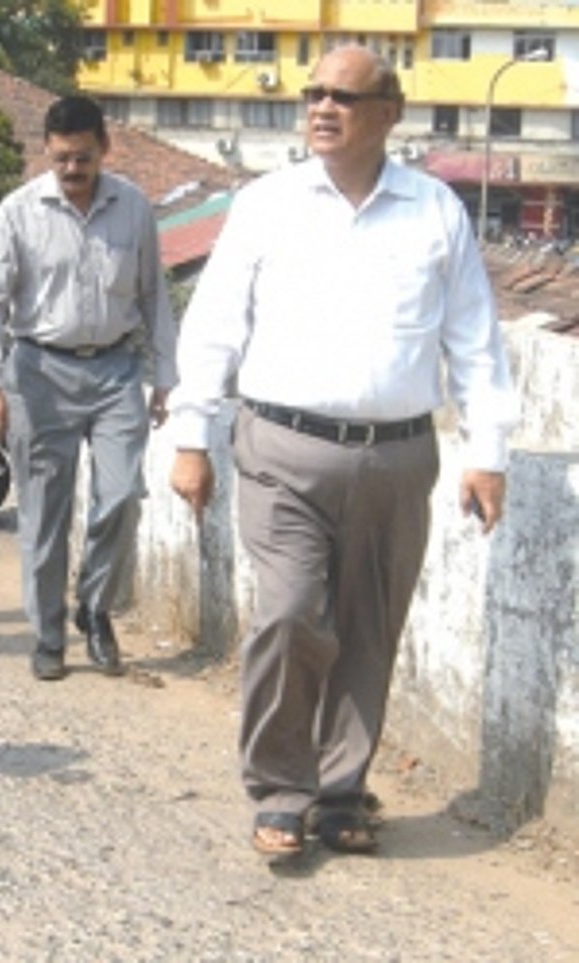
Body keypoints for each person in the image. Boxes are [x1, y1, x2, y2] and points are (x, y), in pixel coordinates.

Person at [168, 45, 518, 857]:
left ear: (389, 114)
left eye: (344, 97)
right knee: (291, 611)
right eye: (313, 93)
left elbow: (475, 341)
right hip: (282, 446)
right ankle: (280, 786)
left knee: (368, 627)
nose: (322, 107)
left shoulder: (434, 211)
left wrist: (487, 450)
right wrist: (192, 435)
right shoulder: (267, 205)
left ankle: (339, 790)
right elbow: (214, 323)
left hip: (397, 457)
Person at [0, 95, 177, 681]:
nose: (71, 170)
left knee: (121, 497)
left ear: (103, 149)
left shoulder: (133, 207)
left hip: (115, 372)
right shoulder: (18, 212)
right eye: (60, 159)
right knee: (43, 512)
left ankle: (95, 608)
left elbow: (153, 296)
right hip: (38, 373)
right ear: (47, 153)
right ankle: (48, 632)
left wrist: (164, 375)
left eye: (82, 158)